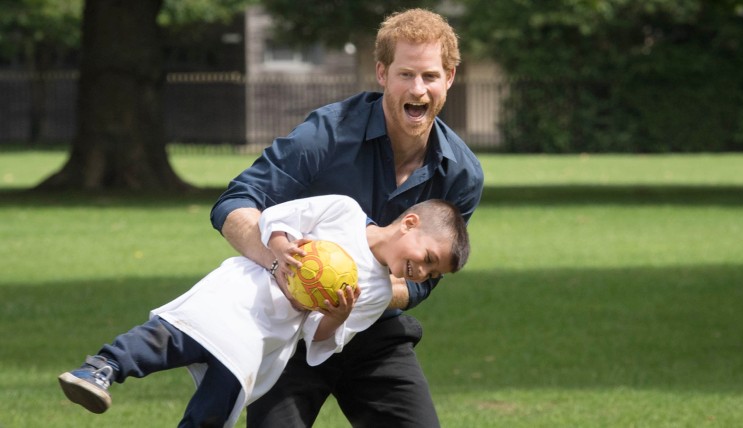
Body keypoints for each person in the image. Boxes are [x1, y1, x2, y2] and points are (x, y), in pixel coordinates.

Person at [212, 8, 485, 427]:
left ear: (449, 77)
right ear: (381, 73)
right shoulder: (327, 133)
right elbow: (234, 203)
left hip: (374, 331)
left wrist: (356, 292)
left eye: (430, 76)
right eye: (405, 74)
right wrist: (282, 266)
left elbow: (425, 277)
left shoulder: (461, 175)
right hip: (291, 327)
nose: (419, 88)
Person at [58, 195, 470, 428]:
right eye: (428, 257)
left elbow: (318, 342)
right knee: (170, 337)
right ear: (409, 223)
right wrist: (279, 247)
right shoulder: (344, 211)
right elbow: (278, 216)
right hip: (237, 295)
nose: (423, 272)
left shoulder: (377, 293)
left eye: (434, 272)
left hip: (264, 337)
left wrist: (336, 317)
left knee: (221, 400)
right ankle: (100, 369)